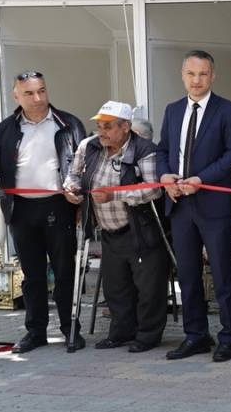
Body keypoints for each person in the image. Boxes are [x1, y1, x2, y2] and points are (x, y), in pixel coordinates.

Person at [156, 50, 231, 362]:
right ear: (183, 76)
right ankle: (196, 335)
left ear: (213, 76)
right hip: (180, 205)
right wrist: (166, 176)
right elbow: (163, 150)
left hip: (214, 204)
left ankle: (229, 335)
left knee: (222, 274)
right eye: (191, 74)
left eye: (203, 74)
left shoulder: (228, 110)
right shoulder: (172, 110)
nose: (197, 80)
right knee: (189, 275)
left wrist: (200, 178)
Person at [0, 71, 86, 352]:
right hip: (21, 209)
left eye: (42, 91)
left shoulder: (68, 124)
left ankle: (71, 330)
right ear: (16, 96)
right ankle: (35, 332)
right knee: (32, 276)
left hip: (59, 208)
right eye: (30, 93)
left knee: (65, 271)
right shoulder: (7, 129)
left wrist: (77, 191)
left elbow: (84, 166)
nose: (38, 98)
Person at [63, 101, 170, 353]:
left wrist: (115, 196)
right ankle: (121, 333)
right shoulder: (88, 146)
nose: (102, 132)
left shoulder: (144, 149)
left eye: (108, 127)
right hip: (108, 231)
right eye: (99, 126)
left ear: (125, 127)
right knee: (116, 286)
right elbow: (73, 174)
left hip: (140, 229)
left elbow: (153, 188)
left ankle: (147, 336)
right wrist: (71, 189)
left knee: (148, 287)